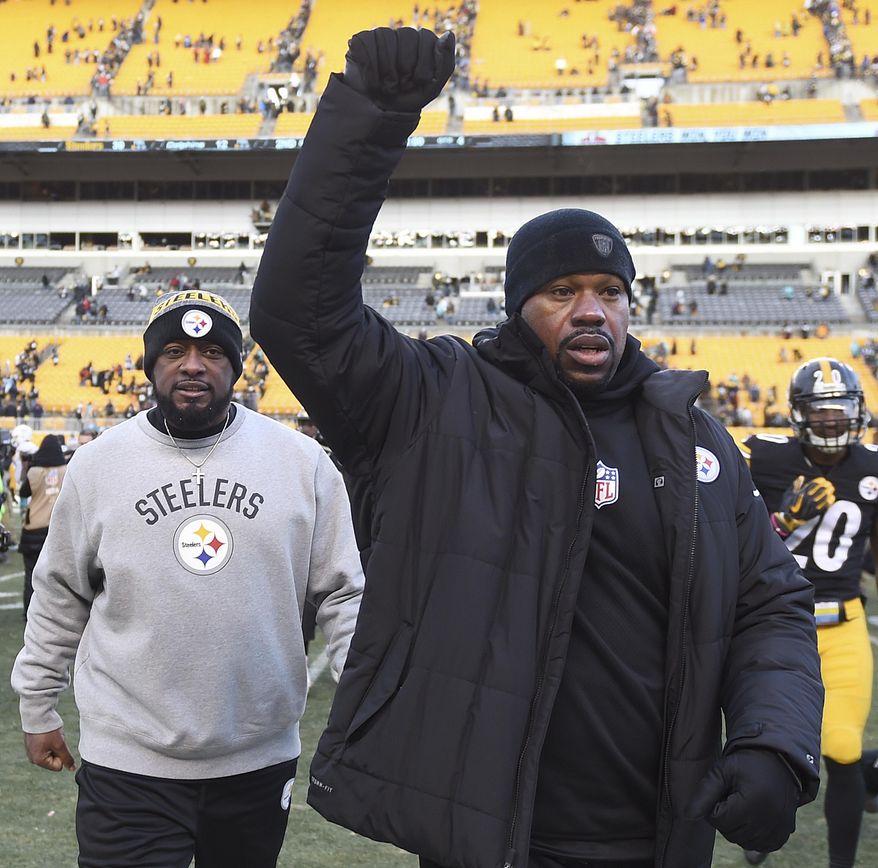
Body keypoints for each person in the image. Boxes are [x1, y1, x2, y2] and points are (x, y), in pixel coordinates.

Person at [249, 27, 823, 868]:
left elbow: (768, 604)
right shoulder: (437, 405)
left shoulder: (697, 440)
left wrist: (775, 741)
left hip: (660, 837)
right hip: (489, 839)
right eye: (562, 291)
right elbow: (299, 313)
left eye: (610, 292)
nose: (592, 311)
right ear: (521, 306)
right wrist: (371, 118)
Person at [11, 289, 364, 868]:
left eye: (212, 353)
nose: (193, 365)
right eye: (174, 350)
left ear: (236, 367)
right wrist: (37, 705)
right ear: (151, 365)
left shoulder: (303, 464)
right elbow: (59, 593)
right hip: (128, 758)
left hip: (256, 756)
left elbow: (344, 595)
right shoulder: (99, 465)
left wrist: (364, 708)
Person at [740, 357, 878, 868]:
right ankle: (759, 828)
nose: (831, 422)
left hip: (843, 625)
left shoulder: (870, 469)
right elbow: (739, 543)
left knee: (842, 746)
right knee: (768, 744)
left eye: (840, 411)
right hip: (775, 620)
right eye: (820, 412)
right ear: (799, 416)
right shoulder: (767, 460)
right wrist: (785, 517)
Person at [17, 434, 67, 617]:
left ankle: (28, 613)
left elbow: (23, 493)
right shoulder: (66, 469)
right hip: (56, 528)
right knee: (58, 578)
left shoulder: (34, 472)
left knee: (31, 575)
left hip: (33, 529)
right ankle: (54, 614)